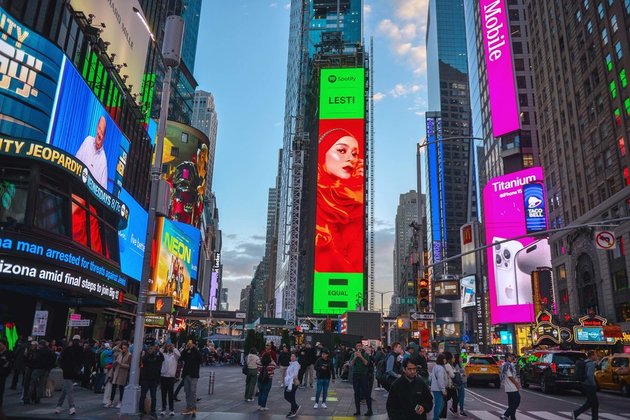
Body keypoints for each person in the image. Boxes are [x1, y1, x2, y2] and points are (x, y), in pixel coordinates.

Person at [315, 127, 364, 273]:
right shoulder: (313, 199)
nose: (351, 158)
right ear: (322, 152)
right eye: (342, 151)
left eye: (355, 154)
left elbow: (355, 265)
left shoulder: (356, 206)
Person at [75, 115, 108, 188]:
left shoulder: (103, 161)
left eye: (102, 132)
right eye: (99, 128)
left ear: (104, 137)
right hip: (76, 186)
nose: (99, 133)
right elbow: (75, 162)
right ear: (96, 128)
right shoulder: (87, 141)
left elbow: (102, 191)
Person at [55, 335, 84, 415]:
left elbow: (60, 359)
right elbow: (81, 361)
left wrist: (63, 367)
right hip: (72, 372)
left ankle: (59, 406)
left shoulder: (67, 349)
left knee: (65, 390)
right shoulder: (80, 350)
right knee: (69, 390)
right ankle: (71, 407)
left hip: (68, 371)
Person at [139, 344, 164, 418]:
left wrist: (158, 351)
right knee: (143, 396)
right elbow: (143, 360)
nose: (151, 350)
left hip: (154, 380)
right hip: (145, 380)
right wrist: (148, 353)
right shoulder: (145, 356)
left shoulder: (157, 357)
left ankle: (153, 411)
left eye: (152, 349)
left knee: (154, 397)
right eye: (150, 349)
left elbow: (162, 359)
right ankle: (141, 411)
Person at [573, 350, 599, 420]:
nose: (596, 356)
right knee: (592, 403)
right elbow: (589, 375)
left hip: (584, 384)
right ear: (592, 356)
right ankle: (576, 413)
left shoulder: (585, 362)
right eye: (595, 355)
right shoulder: (591, 364)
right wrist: (594, 385)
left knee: (594, 403)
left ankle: (594, 418)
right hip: (589, 385)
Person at [350, 341, 373, 416]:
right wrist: (355, 357)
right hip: (355, 375)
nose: (359, 347)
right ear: (356, 347)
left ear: (362, 346)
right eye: (357, 346)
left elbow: (366, 363)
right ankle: (358, 410)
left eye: (360, 346)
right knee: (356, 393)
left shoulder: (365, 354)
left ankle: (370, 410)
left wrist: (361, 356)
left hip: (363, 375)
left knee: (366, 392)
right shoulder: (353, 354)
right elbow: (351, 364)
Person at [180, 340, 202, 416]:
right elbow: (181, 357)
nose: (189, 345)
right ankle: (188, 406)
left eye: (191, 344)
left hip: (193, 374)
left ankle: (193, 407)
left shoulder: (196, 352)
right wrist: (186, 349)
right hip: (186, 374)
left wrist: (194, 348)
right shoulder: (186, 351)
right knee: (187, 392)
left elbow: (200, 359)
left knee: (192, 391)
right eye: (188, 344)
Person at [107, 342, 131, 408]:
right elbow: (117, 360)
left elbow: (129, 366)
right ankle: (111, 401)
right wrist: (115, 363)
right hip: (116, 372)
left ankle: (120, 402)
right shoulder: (120, 354)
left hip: (123, 373)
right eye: (122, 348)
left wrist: (121, 364)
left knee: (121, 388)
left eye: (124, 348)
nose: (123, 349)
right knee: (113, 387)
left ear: (127, 348)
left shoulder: (129, 355)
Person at [159, 342, 180, 416]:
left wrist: (173, 347)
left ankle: (171, 409)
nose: (168, 347)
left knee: (170, 394)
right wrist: (163, 346)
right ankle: (163, 408)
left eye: (169, 346)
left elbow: (178, 354)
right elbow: (159, 352)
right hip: (163, 376)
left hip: (171, 377)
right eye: (167, 346)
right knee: (163, 394)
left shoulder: (174, 356)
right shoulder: (164, 355)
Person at [499, 353, 521, 420]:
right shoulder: (507, 365)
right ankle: (505, 415)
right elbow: (510, 376)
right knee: (517, 401)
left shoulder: (506, 364)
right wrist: (516, 383)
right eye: (511, 357)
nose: (512, 358)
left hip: (509, 387)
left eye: (513, 357)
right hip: (512, 387)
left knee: (511, 404)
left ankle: (513, 418)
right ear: (507, 357)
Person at [430, 353, 448, 420]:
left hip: (436, 388)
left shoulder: (436, 366)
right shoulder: (440, 368)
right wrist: (443, 389)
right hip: (438, 389)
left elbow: (431, 377)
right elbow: (440, 379)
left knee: (440, 403)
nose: (445, 361)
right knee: (439, 404)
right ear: (442, 360)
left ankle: (436, 417)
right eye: (445, 359)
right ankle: (435, 418)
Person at [283, 352, 301, 418]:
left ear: (296, 358)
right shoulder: (290, 364)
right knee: (286, 396)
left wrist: (289, 378)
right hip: (288, 382)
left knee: (291, 396)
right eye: (291, 356)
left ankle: (293, 410)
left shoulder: (296, 364)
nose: (292, 357)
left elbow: (295, 374)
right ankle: (295, 407)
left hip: (293, 383)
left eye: (294, 356)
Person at [441, 351, 456, 418]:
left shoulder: (441, 365)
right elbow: (452, 375)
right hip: (449, 385)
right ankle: (444, 415)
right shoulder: (448, 365)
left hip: (443, 385)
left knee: (445, 399)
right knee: (448, 400)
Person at [0, 339, 11, 409]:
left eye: (0, 344)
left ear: (4, 345)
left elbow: (9, 365)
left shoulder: (7, 353)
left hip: (2, 375)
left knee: (1, 390)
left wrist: (5, 374)